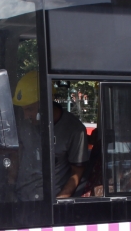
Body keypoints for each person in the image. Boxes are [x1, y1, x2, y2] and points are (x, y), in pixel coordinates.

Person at [12, 71, 90, 200]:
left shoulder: (75, 130)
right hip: (21, 198)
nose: (26, 116)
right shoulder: (24, 124)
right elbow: (16, 155)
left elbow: (77, 172)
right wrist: (10, 188)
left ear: (45, 104)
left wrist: (59, 202)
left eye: (30, 109)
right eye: (23, 110)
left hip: (49, 203)